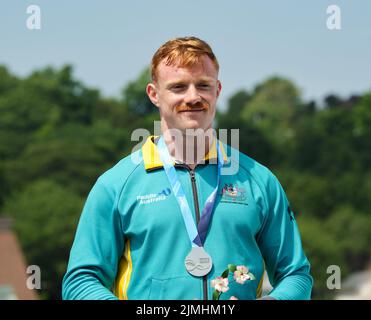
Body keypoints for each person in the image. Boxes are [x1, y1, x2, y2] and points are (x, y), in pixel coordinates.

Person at [62, 36, 313, 300]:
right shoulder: (115, 185)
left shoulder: (259, 180)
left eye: (203, 85)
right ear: (154, 94)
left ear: (217, 90)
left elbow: (296, 275)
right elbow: (80, 283)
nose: (193, 97)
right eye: (179, 87)